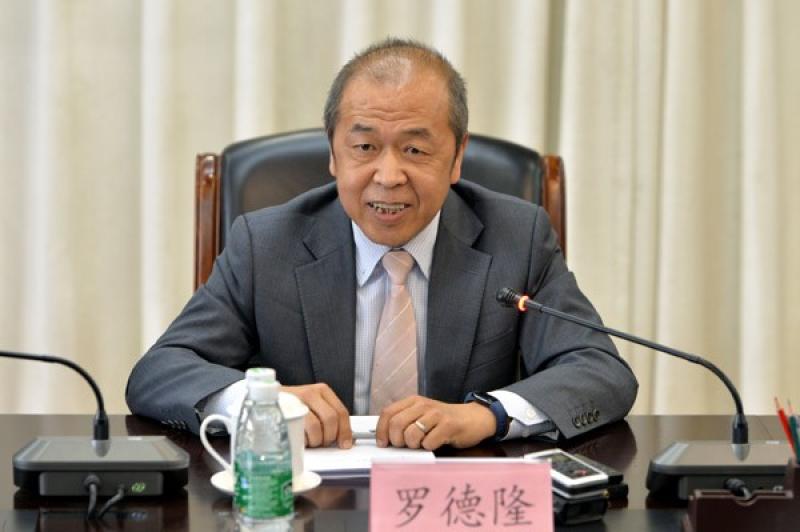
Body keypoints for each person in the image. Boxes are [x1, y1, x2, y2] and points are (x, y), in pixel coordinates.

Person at [126, 38, 637, 452]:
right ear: (333, 153)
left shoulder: (516, 237)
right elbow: (159, 373)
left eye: (415, 149)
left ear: (457, 157)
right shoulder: (266, 245)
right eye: (365, 147)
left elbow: (600, 372)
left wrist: (488, 415)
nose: (388, 177)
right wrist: (258, 404)